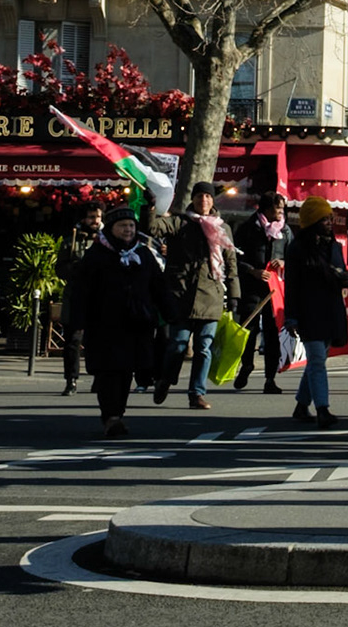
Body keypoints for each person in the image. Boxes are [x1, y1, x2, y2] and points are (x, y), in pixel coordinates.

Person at [62, 209, 171, 438]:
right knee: (108, 372)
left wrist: (170, 311)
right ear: (111, 228)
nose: (128, 230)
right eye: (123, 226)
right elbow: (81, 292)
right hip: (104, 325)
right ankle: (110, 416)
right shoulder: (96, 255)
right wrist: (78, 321)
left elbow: (158, 286)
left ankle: (117, 414)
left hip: (137, 323)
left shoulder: (143, 254)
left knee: (126, 372)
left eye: (131, 226)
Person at [147, 181, 240, 410]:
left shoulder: (222, 228)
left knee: (203, 347)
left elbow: (230, 263)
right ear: (193, 199)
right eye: (199, 196)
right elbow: (153, 229)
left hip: (211, 295)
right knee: (178, 344)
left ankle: (197, 393)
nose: (204, 201)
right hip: (181, 294)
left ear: (212, 200)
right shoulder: (180, 222)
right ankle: (166, 379)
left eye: (208, 197)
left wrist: (235, 294)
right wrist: (149, 209)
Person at [283, 196, 348, 428]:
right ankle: (322, 409)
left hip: (331, 309)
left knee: (318, 359)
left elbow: (343, 272)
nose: (329, 222)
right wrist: (291, 316)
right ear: (312, 221)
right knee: (316, 360)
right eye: (323, 219)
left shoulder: (334, 246)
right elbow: (292, 285)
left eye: (329, 218)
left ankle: (301, 405)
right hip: (308, 311)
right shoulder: (297, 249)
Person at [231, 192, 290, 393]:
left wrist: (283, 263)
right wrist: (252, 270)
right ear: (265, 209)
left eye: (282, 208)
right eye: (277, 208)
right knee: (249, 330)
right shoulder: (247, 229)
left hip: (275, 292)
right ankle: (246, 364)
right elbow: (233, 257)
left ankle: (270, 379)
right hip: (252, 288)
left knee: (273, 334)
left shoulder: (286, 231)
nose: (281, 211)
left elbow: (295, 256)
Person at [56, 204, 102, 395]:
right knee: (73, 341)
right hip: (76, 297)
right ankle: (71, 379)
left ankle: (98, 378)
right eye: (91, 217)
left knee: (97, 342)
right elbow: (59, 269)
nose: (95, 221)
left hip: (100, 298)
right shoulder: (71, 241)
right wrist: (74, 269)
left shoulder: (106, 241)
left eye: (98, 217)